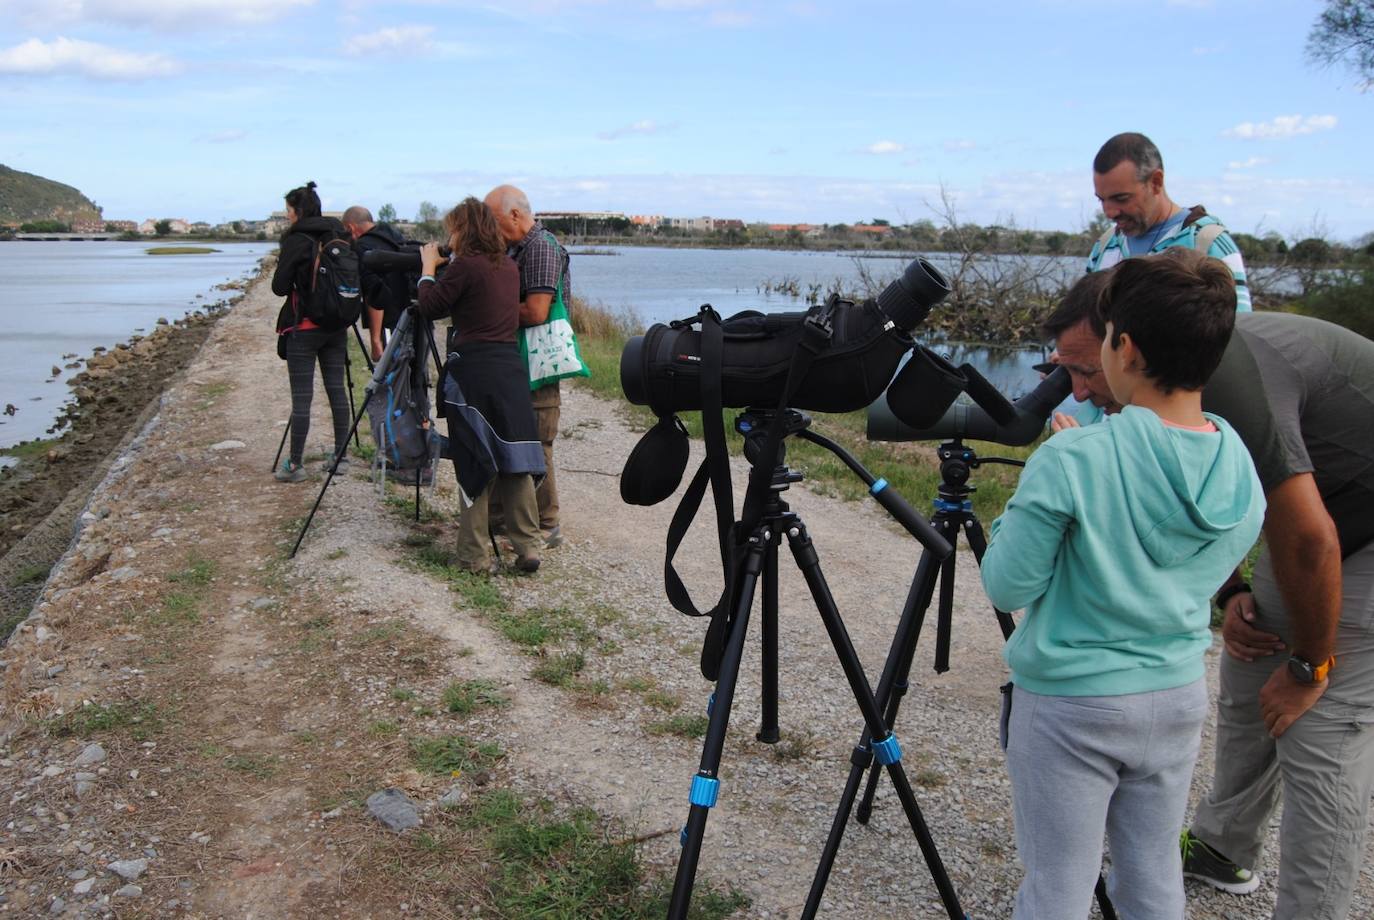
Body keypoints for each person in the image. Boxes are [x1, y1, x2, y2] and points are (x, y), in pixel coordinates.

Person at [1044, 269, 1374, 919]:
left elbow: (1310, 542)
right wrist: (1233, 592)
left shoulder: (1228, 380)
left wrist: (1312, 667)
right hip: (1317, 511)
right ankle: (1225, 848)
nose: (1079, 392)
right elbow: (1195, 493)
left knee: (1321, 728)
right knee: (1252, 665)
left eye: (1085, 371)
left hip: (1346, 523)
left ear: (1125, 344)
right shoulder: (1163, 380)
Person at [982, 250, 1265, 919]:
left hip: (1072, 704)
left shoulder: (1076, 455)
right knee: (1153, 872)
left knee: (1058, 884)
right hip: (1175, 694)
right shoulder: (1239, 463)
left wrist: (1030, 494)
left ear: (1125, 346)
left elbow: (1007, 583)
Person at [416, 198, 544, 574]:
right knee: (515, 458)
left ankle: (474, 556)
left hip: (474, 372)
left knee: (474, 456)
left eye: (452, 230)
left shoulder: (464, 267)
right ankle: (529, 546)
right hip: (509, 371)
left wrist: (427, 268)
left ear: (464, 230)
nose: (449, 238)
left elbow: (430, 306)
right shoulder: (507, 266)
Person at [483, 184, 567, 548]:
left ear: (515, 214)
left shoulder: (541, 248)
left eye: (494, 220)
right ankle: (505, 517)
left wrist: (488, 309)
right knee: (511, 434)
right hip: (520, 360)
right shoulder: (520, 247)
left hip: (538, 361)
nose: (490, 228)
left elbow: (536, 312)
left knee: (536, 440)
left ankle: (547, 523)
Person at [1088, 132, 1251, 312]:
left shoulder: (1208, 245)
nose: (1109, 212)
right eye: (1101, 200)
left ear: (1156, 182)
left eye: (1121, 198)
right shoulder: (1104, 246)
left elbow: (1237, 332)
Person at [270, 181, 353, 482]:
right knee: (337, 391)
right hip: (336, 326)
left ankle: (295, 465)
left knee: (302, 398)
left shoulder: (297, 239)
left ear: (299, 211)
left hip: (304, 328)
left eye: (289, 211)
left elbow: (279, 287)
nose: (287, 217)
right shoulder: (338, 234)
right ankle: (341, 457)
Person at [342, 205, 410, 362]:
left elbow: (375, 293)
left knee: (391, 376)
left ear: (350, 228)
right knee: (412, 375)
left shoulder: (363, 247)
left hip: (391, 323)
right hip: (413, 315)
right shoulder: (395, 236)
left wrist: (375, 340)